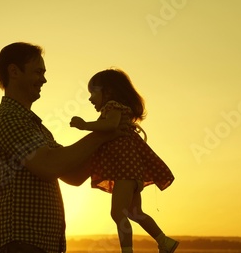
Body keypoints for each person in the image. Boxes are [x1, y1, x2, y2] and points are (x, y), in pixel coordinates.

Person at [0, 42, 122, 253]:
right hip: (20, 245)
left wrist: (114, 141)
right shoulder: (7, 118)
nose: (44, 79)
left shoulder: (38, 128)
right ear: (14, 71)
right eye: (38, 72)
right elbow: (48, 165)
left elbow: (73, 175)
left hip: (38, 246)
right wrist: (101, 135)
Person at [70, 68, 179, 253]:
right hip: (133, 171)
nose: (90, 98)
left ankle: (127, 251)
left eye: (92, 93)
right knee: (135, 213)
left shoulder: (112, 107)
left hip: (125, 171)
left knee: (117, 212)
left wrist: (84, 125)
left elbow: (109, 125)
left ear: (108, 91)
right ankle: (164, 241)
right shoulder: (120, 110)